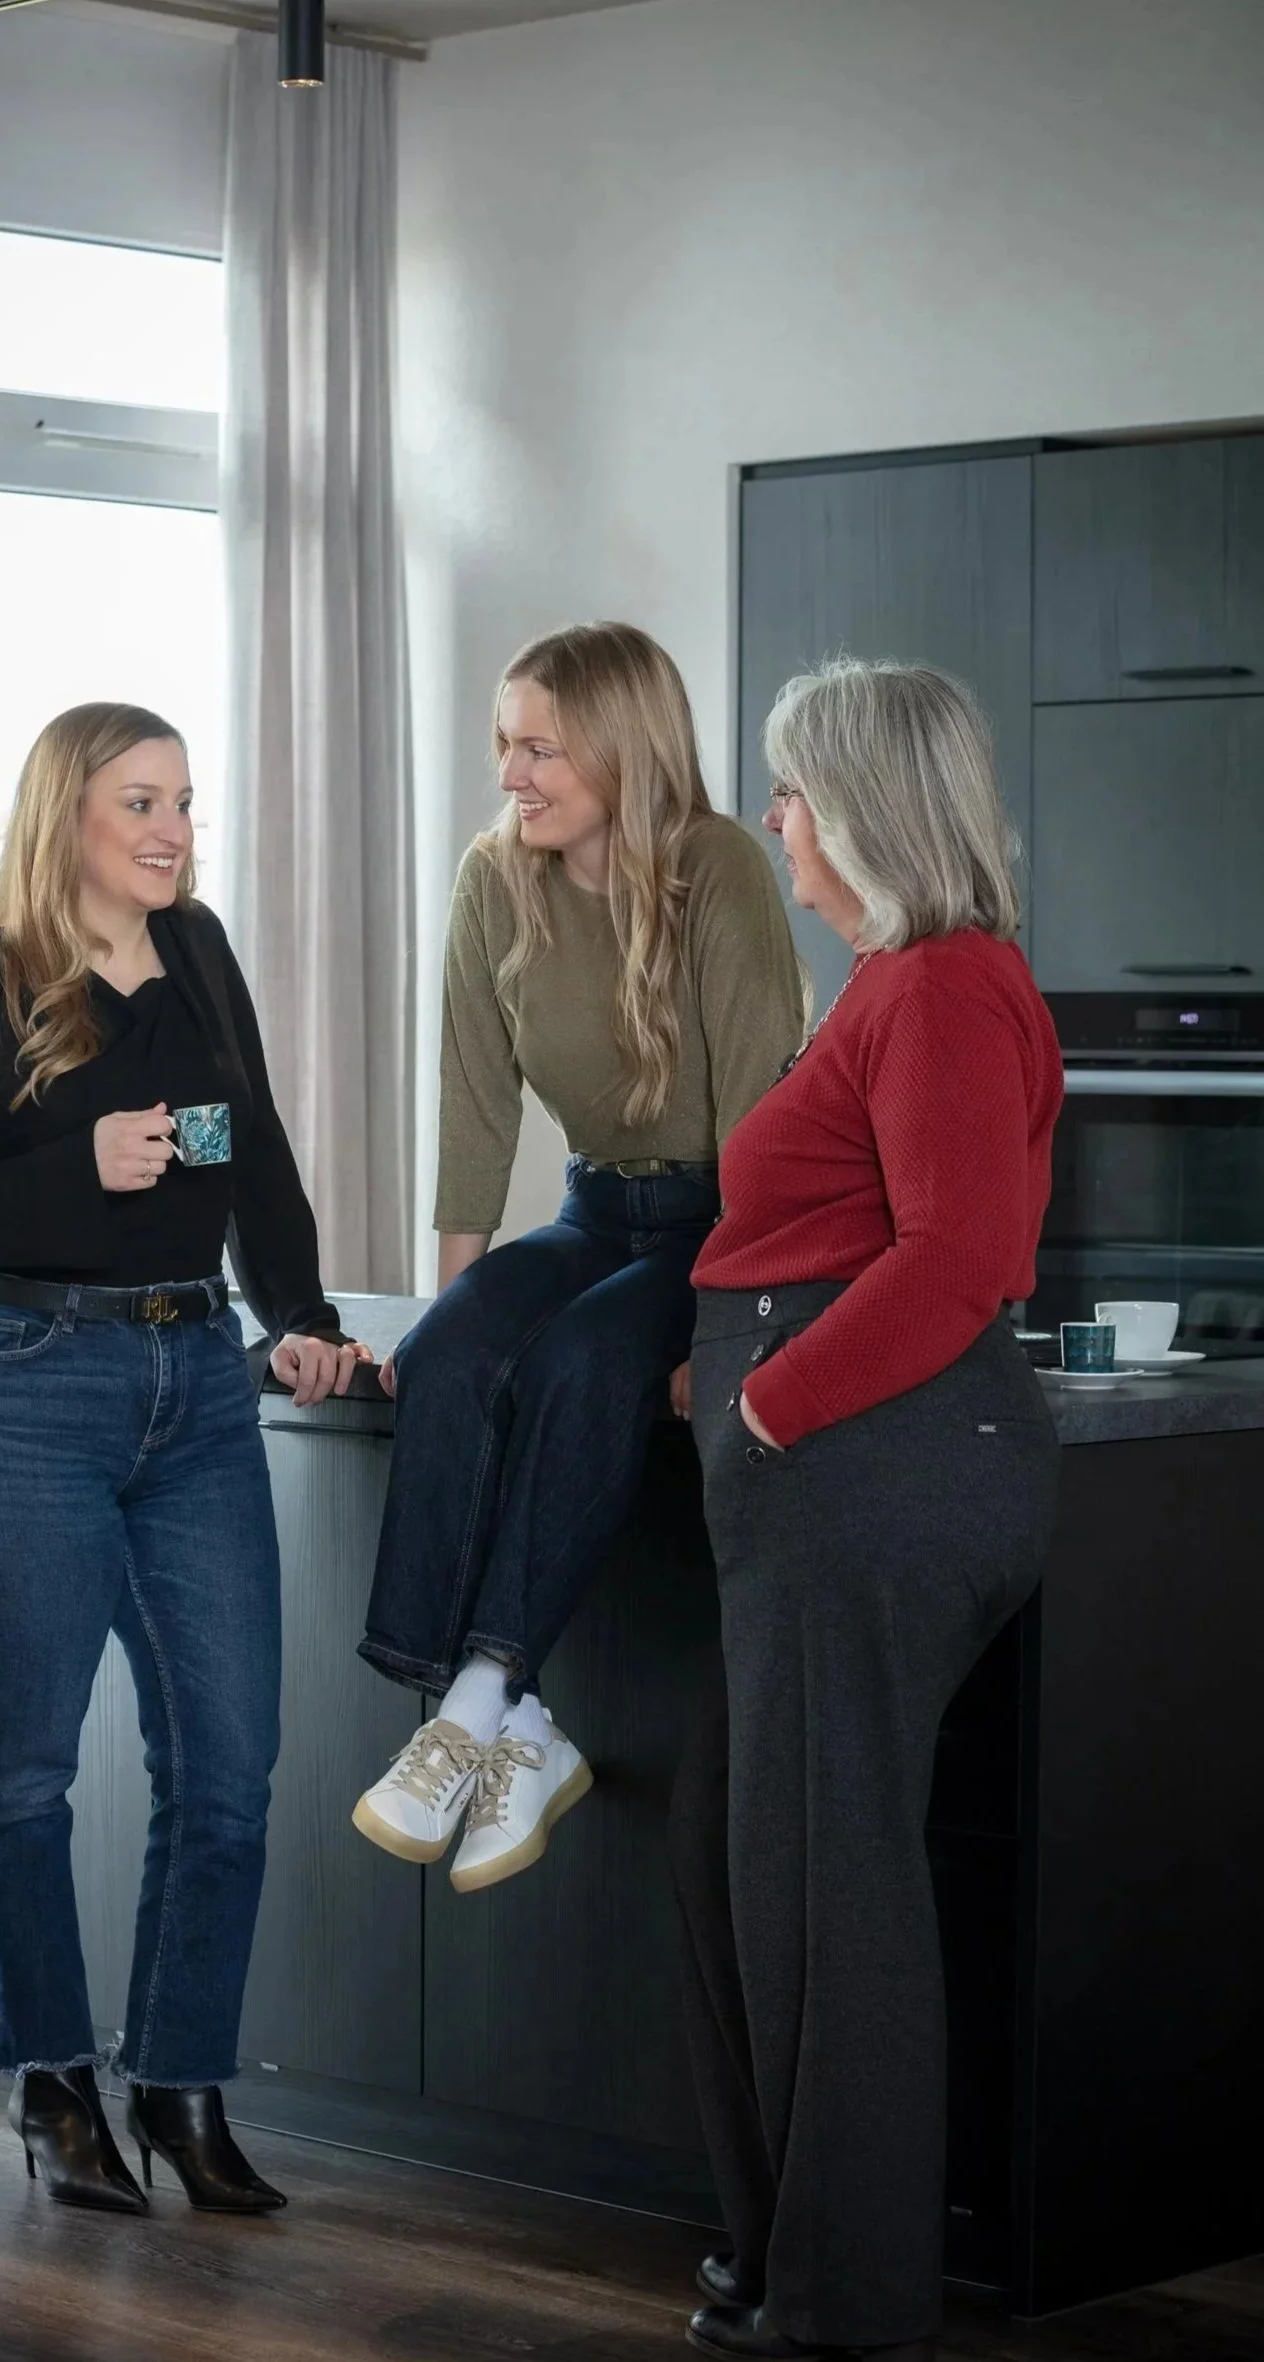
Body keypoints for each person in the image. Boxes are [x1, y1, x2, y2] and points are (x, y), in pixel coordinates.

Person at [0, 702, 369, 2217]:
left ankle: (178, 2081)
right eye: (140, 802)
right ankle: (50, 2083)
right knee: (20, 1768)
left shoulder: (200, 949)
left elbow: (256, 1151)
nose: (171, 830)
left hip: (195, 1384)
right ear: (62, 816)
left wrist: (301, 1315)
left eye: (185, 802)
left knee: (227, 1766)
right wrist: (71, 1170)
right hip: (22, 1383)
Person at [669, 659, 1064, 2362]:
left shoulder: (948, 986)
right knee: (737, 1861)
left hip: (869, 1464)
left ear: (865, 807)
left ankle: (839, 2308)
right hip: (834, 1464)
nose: (775, 823)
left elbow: (959, 1259)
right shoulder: (888, 982)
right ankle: (782, 2255)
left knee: (829, 1890)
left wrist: (768, 1396)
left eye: (792, 792)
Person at [352, 623, 804, 1894]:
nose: (511, 774)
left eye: (538, 746)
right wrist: (456, 1300)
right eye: (504, 744)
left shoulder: (716, 867)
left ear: (620, 746)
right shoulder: (495, 878)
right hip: (593, 1208)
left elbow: (761, 1125)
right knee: (447, 1356)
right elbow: (471, 1098)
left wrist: (730, 1326)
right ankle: (523, 1729)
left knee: (590, 1363)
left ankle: (476, 1696)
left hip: (726, 1216)